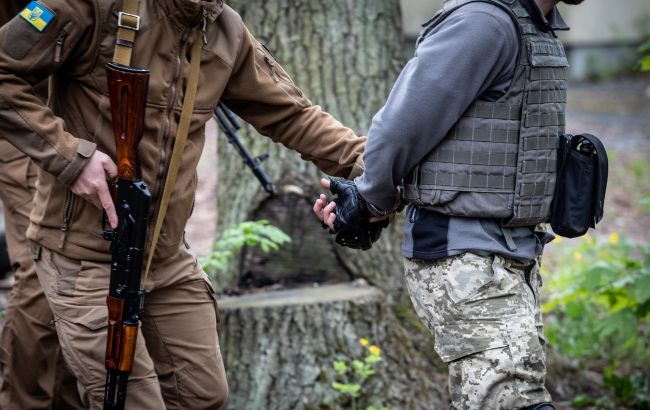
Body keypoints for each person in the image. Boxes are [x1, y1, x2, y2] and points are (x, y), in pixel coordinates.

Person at [0, 0, 365, 408]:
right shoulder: (92, 6)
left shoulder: (223, 28)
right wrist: (71, 159)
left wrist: (378, 167)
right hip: (85, 258)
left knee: (202, 396)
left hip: (165, 256)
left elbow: (294, 115)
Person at [314, 0, 585, 409]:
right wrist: (370, 199)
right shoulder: (484, 23)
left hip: (511, 255)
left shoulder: (534, 24)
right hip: (464, 259)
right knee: (515, 401)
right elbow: (398, 128)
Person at [0, 2, 83, 408]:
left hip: (72, 114)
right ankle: (21, 400)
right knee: (43, 269)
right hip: (20, 116)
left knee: (79, 266)